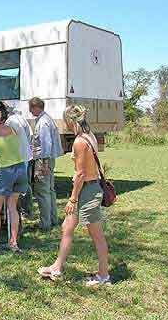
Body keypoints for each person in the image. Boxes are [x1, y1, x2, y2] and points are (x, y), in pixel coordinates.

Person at [38, 105, 111, 287]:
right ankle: (56, 267)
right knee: (67, 227)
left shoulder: (79, 142)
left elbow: (80, 174)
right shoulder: (89, 135)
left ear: (71, 121)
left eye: (65, 121)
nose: (65, 125)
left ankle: (104, 275)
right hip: (87, 188)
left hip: (87, 191)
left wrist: (72, 199)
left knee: (97, 236)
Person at [0, 108, 28, 254]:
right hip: (21, 169)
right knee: (12, 207)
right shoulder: (12, 129)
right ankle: (13, 243)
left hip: (6, 170)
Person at [0, 100, 33, 217]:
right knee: (23, 186)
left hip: (18, 159)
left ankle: (20, 212)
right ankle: (22, 211)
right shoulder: (18, 119)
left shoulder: (10, 123)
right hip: (23, 157)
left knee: (16, 190)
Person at [29, 97, 63, 231]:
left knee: (42, 191)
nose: (30, 111)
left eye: (31, 108)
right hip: (47, 159)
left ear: (36, 107)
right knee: (49, 190)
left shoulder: (43, 122)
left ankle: (45, 223)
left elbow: (46, 144)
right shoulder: (46, 119)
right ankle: (52, 218)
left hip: (43, 160)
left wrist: (43, 163)